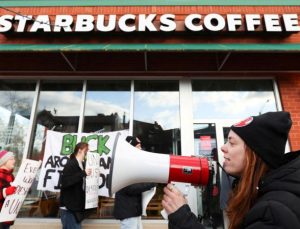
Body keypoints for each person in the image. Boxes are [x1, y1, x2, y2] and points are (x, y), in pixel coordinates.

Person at [162, 111, 300, 229]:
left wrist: (183, 220)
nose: (223, 147)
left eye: (232, 143)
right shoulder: (261, 195)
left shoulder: (272, 213)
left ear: (255, 153)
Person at [113, 136, 156, 229]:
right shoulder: (123, 163)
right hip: (128, 211)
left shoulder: (130, 162)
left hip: (133, 210)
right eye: (138, 146)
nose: (141, 149)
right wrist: (150, 183)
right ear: (131, 148)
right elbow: (130, 188)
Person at [60, 142, 92, 229]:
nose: (88, 152)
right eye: (86, 150)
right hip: (69, 209)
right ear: (80, 150)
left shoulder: (82, 164)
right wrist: (82, 173)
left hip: (76, 208)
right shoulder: (71, 164)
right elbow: (65, 182)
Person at [0, 150, 16, 229]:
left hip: (7, 215)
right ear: (4, 161)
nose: (14, 161)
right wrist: (5, 192)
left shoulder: (11, 176)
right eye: (12, 159)